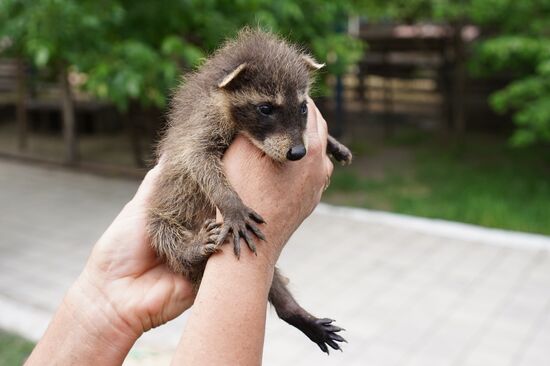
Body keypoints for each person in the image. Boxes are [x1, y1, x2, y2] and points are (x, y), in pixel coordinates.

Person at [25, 99, 333, 366]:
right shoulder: (215, 112)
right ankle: (285, 306)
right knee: (162, 228)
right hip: (183, 222)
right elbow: (199, 156)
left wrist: (105, 296)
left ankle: (290, 308)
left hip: (136, 277)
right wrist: (237, 215)